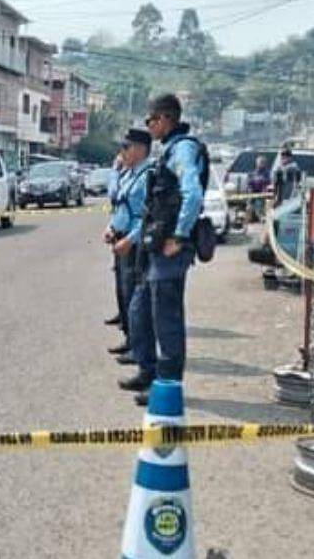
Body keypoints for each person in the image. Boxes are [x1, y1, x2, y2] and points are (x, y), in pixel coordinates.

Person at [119, 94, 207, 406]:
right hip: (155, 247)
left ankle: (167, 387)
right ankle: (148, 372)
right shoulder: (169, 150)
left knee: (166, 322)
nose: (149, 126)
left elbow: (192, 194)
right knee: (139, 311)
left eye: (151, 120)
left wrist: (180, 236)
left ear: (165, 118)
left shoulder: (183, 149)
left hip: (171, 249)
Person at [105, 129, 152, 362]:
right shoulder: (129, 174)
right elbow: (119, 204)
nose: (122, 152)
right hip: (121, 238)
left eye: (126, 147)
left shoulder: (147, 176)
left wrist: (130, 239)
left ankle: (140, 349)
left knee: (135, 298)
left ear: (140, 149)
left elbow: (148, 216)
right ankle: (131, 340)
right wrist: (111, 227)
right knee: (125, 293)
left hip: (135, 243)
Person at [104, 152, 126, 328]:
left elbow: (113, 193)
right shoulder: (127, 174)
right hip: (119, 230)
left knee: (126, 279)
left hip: (128, 235)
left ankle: (127, 319)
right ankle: (123, 313)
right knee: (120, 275)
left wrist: (114, 172)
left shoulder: (132, 175)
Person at [246, 155, 271, 222]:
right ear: (256, 163)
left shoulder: (267, 173)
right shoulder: (252, 173)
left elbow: (268, 182)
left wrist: (260, 181)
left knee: (259, 204)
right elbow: (249, 182)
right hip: (253, 192)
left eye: (262, 162)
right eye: (259, 162)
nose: (260, 164)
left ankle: (261, 217)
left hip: (262, 192)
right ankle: (250, 217)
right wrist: (251, 185)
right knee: (249, 204)